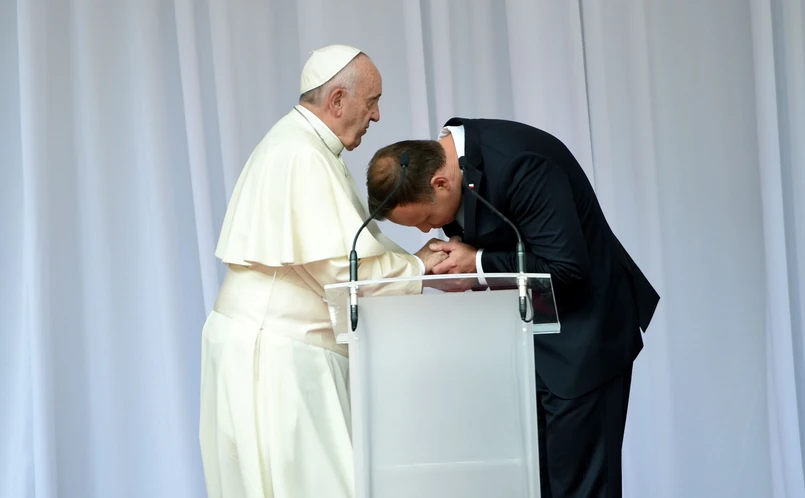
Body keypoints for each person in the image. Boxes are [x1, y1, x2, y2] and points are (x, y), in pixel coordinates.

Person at [198, 45, 446, 498]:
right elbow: (342, 271)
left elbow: (346, 249)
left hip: (274, 347)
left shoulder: (304, 146)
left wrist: (416, 265)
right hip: (276, 356)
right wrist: (420, 267)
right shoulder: (302, 154)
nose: (376, 116)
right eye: (371, 102)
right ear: (337, 100)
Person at [365, 117, 660, 498]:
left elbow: (566, 269)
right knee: (536, 486)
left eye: (424, 219)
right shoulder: (450, 163)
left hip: (584, 341)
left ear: (441, 183)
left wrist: (479, 263)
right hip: (531, 349)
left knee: (581, 489)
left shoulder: (521, 164)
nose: (426, 231)